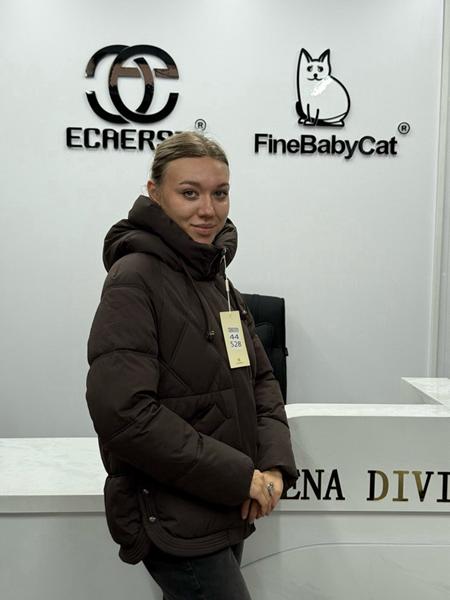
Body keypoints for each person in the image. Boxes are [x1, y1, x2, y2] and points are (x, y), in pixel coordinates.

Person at [85, 131, 298, 599]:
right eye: (189, 193)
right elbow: (124, 414)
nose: (208, 210)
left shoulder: (217, 280)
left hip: (226, 504)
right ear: (154, 193)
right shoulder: (133, 278)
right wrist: (239, 476)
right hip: (172, 515)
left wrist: (273, 466)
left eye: (219, 193)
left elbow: (260, 379)